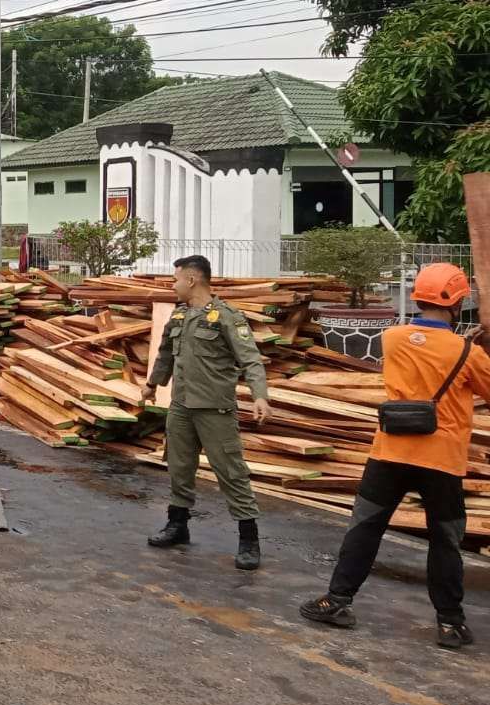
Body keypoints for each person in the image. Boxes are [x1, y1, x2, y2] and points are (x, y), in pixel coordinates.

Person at [300, 264, 490, 649]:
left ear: (417, 296)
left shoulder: (392, 338)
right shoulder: (468, 353)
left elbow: (422, 348)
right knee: (444, 540)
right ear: (456, 301)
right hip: (442, 459)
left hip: (390, 452)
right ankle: (450, 624)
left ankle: (337, 601)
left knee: (365, 527)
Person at [140, 254, 272, 571]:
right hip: (182, 406)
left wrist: (260, 396)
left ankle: (249, 540)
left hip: (215, 409)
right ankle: (178, 525)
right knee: (179, 467)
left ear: (192, 279)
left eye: (175, 279)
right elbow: (165, 355)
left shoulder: (227, 317)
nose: (173, 285)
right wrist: (152, 385)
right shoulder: (180, 317)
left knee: (231, 473)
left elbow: (250, 360)